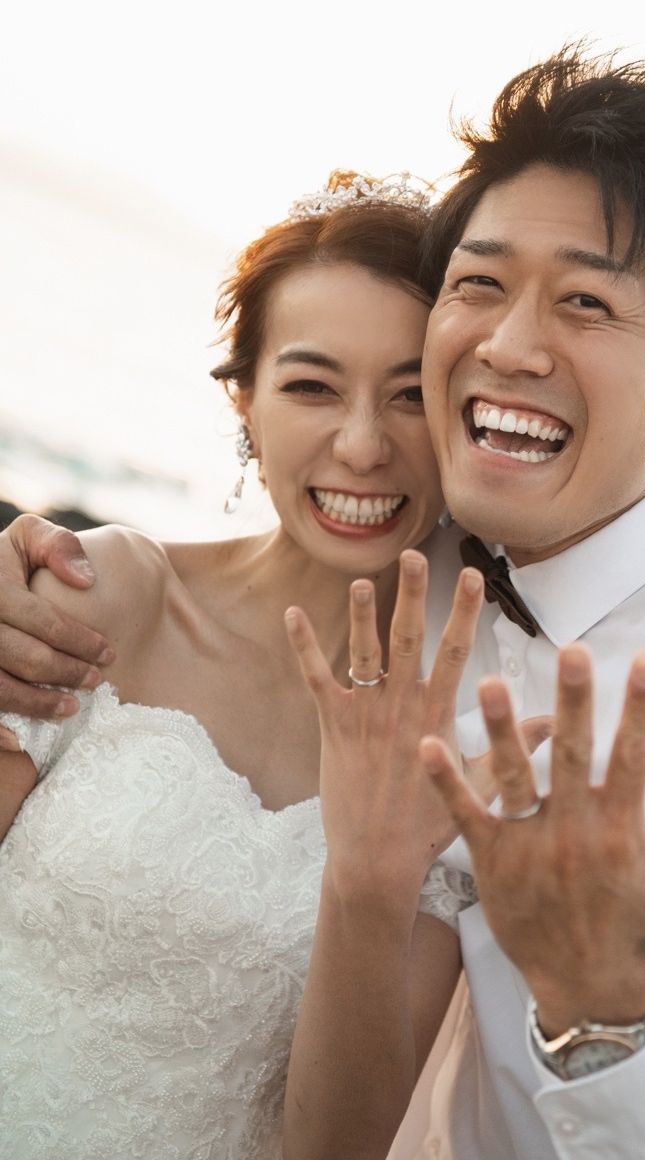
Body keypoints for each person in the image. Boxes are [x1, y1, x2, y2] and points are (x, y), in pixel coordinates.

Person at [0, 46, 645, 1159]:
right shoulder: (415, 561)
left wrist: (614, 1021)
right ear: (242, 401)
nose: (506, 348)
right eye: (481, 284)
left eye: (586, 301)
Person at [0, 172, 494, 1160]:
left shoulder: (454, 744)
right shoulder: (108, 595)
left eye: (411, 395)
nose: (363, 445)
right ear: (246, 404)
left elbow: (338, 1146)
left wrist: (372, 876)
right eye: (312, 386)